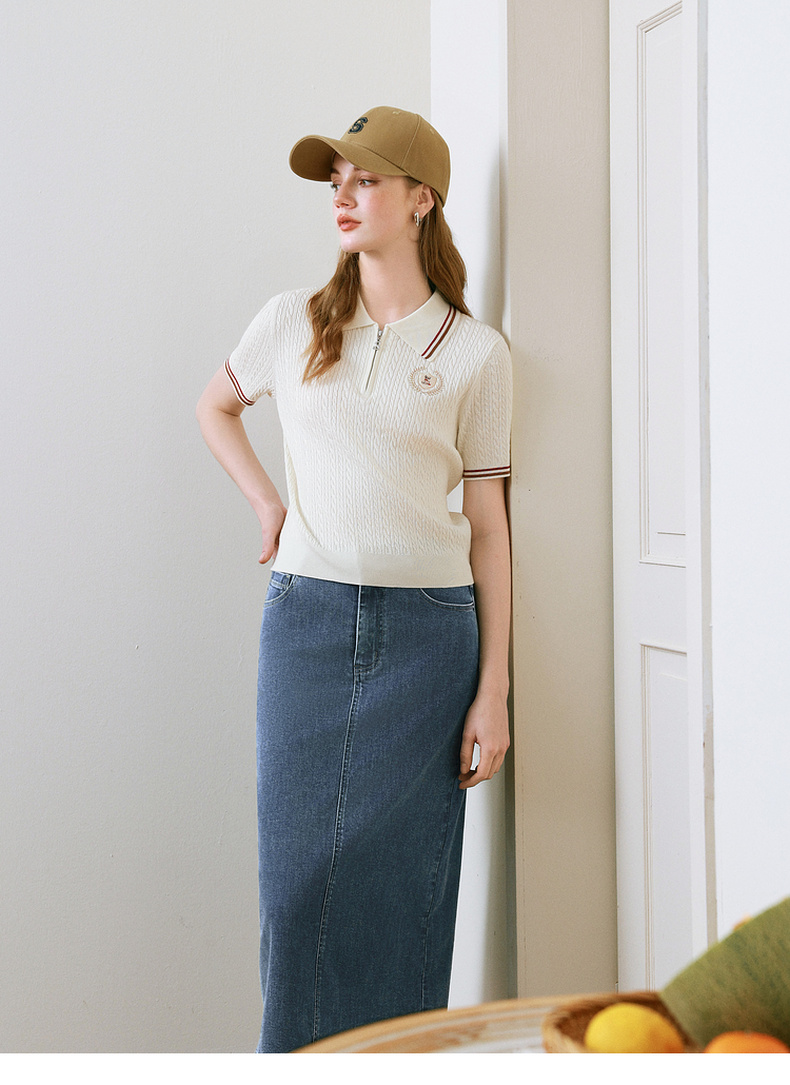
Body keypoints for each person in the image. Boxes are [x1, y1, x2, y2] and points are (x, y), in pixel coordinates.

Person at [196, 106, 512, 1053]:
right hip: (306, 626)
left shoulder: (476, 353)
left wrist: (493, 690)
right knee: (295, 892)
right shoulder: (291, 320)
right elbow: (215, 407)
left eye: (367, 179)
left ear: (422, 200)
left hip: (432, 639)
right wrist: (267, 504)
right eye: (337, 181)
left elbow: (490, 528)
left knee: (406, 886)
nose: (343, 195)